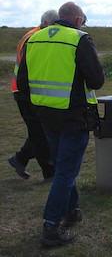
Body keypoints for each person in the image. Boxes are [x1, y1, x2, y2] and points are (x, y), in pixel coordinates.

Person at [17, 1, 105, 247]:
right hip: (74, 117)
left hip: (46, 116)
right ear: (78, 19)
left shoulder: (34, 39)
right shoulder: (80, 39)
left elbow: (22, 82)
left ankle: (72, 210)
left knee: (64, 167)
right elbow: (97, 80)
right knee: (65, 173)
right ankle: (50, 227)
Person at [8, 10, 58, 180]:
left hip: (27, 91)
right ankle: (49, 172)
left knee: (39, 131)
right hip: (25, 93)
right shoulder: (35, 38)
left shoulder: (33, 35)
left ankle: (19, 159)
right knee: (39, 133)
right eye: (54, 25)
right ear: (46, 23)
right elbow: (27, 71)